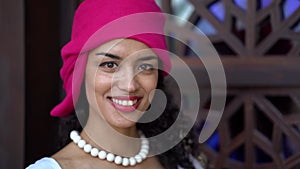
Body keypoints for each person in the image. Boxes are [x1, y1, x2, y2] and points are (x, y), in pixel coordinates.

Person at [26, 0, 206, 168]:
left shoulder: (180, 160)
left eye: (145, 66)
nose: (129, 85)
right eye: (110, 65)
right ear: (79, 72)